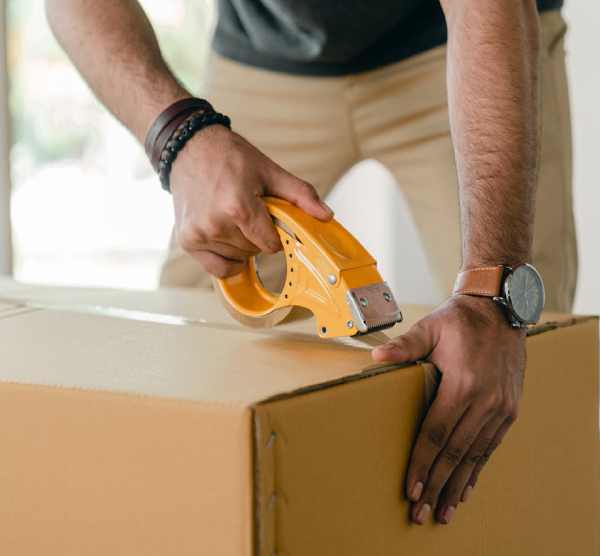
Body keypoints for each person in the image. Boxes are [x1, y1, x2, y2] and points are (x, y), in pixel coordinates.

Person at [46, 0, 576, 526]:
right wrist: (179, 137)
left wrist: (491, 289)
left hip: (454, 42)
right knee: (198, 336)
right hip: (267, 55)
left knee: (522, 356)